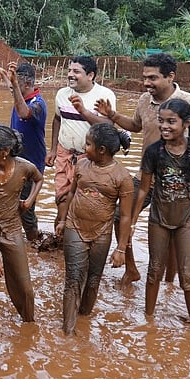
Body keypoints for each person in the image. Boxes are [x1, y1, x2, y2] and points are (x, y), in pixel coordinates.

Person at [98, 52, 190, 284]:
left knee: (173, 231)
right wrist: (112, 115)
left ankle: (169, 283)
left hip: (180, 180)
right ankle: (131, 269)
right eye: (145, 78)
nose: (147, 83)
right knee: (120, 216)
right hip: (147, 175)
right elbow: (137, 126)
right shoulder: (143, 100)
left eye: (153, 78)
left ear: (170, 77)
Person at [131, 98, 190, 323]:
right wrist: (133, 221)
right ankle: (149, 320)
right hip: (159, 218)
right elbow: (144, 189)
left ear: (185, 123)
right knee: (154, 270)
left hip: (187, 218)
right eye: (161, 121)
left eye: (171, 122)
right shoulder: (153, 152)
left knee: (187, 275)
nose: (164, 126)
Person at [55, 123, 133, 334]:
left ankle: (83, 319)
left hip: (101, 233)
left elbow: (125, 216)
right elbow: (71, 193)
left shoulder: (122, 177)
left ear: (102, 150)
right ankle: (68, 331)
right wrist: (62, 220)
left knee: (93, 279)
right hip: (75, 226)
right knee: (72, 278)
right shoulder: (81, 166)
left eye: (88, 144)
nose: (84, 146)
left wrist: (121, 249)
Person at [0, 125, 43, 325]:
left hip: (12, 229)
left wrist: (29, 200)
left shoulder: (24, 167)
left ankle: (29, 325)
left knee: (25, 286)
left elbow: (38, 179)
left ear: (4, 152)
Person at [47, 56, 115, 229]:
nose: (70, 75)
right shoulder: (62, 94)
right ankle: (61, 233)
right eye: (69, 70)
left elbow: (109, 126)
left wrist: (83, 111)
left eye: (76, 71)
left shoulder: (104, 95)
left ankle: (77, 233)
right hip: (65, 152)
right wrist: (53, 149)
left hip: (90, 156)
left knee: (85, 197)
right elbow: (57, 120)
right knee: (61, 194)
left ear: (90, 75)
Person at [0, 61, 47, 240]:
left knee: (26, 211)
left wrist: (14, 84)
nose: (12, 89)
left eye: (16, 84)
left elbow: (25, 113)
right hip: (15, 162)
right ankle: (13, 239)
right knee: (9, 204)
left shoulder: (38, 103)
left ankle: (35, 241)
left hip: (31, 166)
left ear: (26, 84)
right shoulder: (21, 95)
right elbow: (12, 89)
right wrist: (5, 77)